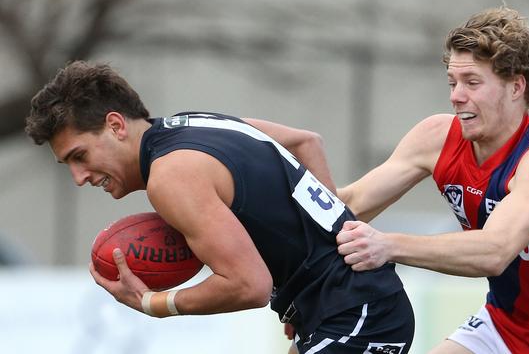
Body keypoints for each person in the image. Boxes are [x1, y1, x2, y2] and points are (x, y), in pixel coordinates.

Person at [25, 61, 414, 353]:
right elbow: (305, 142)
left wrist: (153, 303)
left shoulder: (169, 176)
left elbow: (249, 286)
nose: (79, 177)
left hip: (357, 313)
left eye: (80, 155)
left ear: (115, 125)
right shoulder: (197, 123)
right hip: (348, 306)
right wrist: (325, 249)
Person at [336, 7, 529, 353]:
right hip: (503, 324)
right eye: (453, 82)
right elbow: (350, 203)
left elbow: (494, 251)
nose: (456, 96)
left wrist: (386, 245)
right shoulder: (436, 136)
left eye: (472, 83)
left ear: (517, 86)